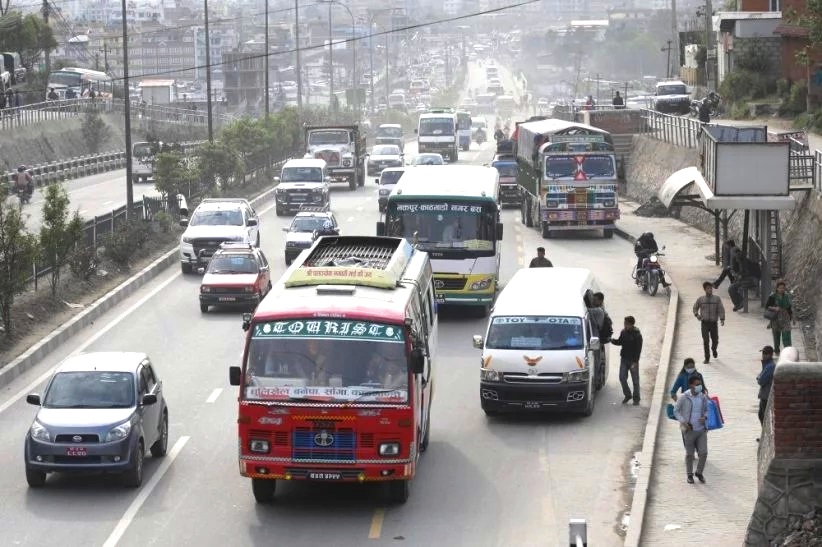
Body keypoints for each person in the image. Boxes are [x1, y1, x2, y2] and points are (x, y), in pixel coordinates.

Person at [673, 374, 709, 484]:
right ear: (691, 385)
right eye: (697, 385)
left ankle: (699, 472)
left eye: (700, 385)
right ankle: (689, 474)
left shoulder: (702, 396)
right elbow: (676, 411)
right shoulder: (684, 397)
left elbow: (707, 409)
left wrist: (705, 417)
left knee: (703, 452)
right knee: (689, 454)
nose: (699, 387)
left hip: (701, 430)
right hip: (689, 430)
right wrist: (683, 421)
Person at [610, 316, 643, 405]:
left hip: (633, 360)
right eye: (624, 324)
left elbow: (638, 350)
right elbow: (620, 342)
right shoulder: (623, 332)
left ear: (632, 324)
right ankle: (628, 394)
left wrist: (635, 362)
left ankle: (636, 398)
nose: (625, 326)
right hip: (624, 359)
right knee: (622, 378)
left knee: (635, 381)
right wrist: (612, 340)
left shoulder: (637, 335)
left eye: (627, 324)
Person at [693, 281, 726, 364]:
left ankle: (714, 349)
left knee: (715, 340)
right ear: (705, 289)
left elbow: (721, 309)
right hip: (704, 323)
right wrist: (697, 315)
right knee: (706, 341)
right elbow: (695, 308)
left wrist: (722, 319)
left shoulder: (717, 299)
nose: (710, 290)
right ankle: (707, 358)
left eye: (710, 288)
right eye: (708, 288)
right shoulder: (701, 299)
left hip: (713, 323)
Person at [766, 281, 794, 353]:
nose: (782, 289)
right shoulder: (772, 296)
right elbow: (767, 307)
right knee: (776, 336)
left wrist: (793, 318)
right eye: (780, 288)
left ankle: (787, 351)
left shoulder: (787, 296)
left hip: (785, 318)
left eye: (783, 288)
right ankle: (777, 350)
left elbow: (789, 308)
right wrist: (775, 308)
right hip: (776, 318)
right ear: (777, 288)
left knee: (787, 334)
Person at [756, 346, 776, 426]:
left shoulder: (770, 366)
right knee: (761, 415)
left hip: (766, 395)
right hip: (764, 395)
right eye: (763, 353)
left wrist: (759, 377)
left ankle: (765, 436)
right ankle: (763, 435)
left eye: (765, 354)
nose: (763, 355)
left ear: (770, 355)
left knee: (764, 416)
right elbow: (761, 375)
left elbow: (761, 381)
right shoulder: (767, 365)